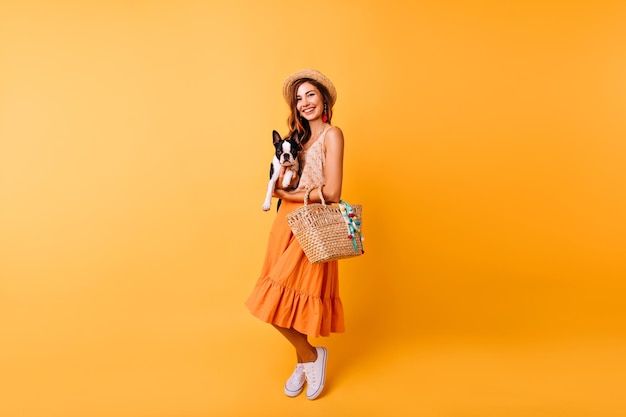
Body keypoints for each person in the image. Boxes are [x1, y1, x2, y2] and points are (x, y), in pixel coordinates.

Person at [245, 69, 345, 400]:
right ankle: (305, 358)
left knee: (284, 295)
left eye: (311, 95)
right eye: (299, 98)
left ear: (324, 98)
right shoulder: (296, 139)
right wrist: (282, 184)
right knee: (280, 297)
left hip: (312, 221)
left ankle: (312, 357)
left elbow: (332, 192)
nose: (304, 102)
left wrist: (286, 195)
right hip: (285, 223)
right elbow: (282, 177)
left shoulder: (333, 135)